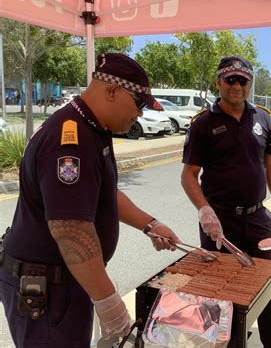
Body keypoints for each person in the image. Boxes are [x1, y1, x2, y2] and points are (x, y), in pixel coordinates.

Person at [0, 53, 181, 347]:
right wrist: (109, 302)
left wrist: (150, 224)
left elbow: (102, 195)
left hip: (66, 283)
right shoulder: (70, 140)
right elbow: (71, 231)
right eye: (138, 105)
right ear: (112, 91)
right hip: (46, 291)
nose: (140, 115)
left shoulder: (93, 128)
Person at [181, 56, 271, 347]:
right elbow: (189, 175)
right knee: (219, 295)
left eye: (243, 80)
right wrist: (205, 210)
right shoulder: (203, 124)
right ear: (219, 81)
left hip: (257, 220)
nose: (237, 86)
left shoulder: (263, 119)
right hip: (219, 223)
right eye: (230, 79)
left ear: (249, 84)